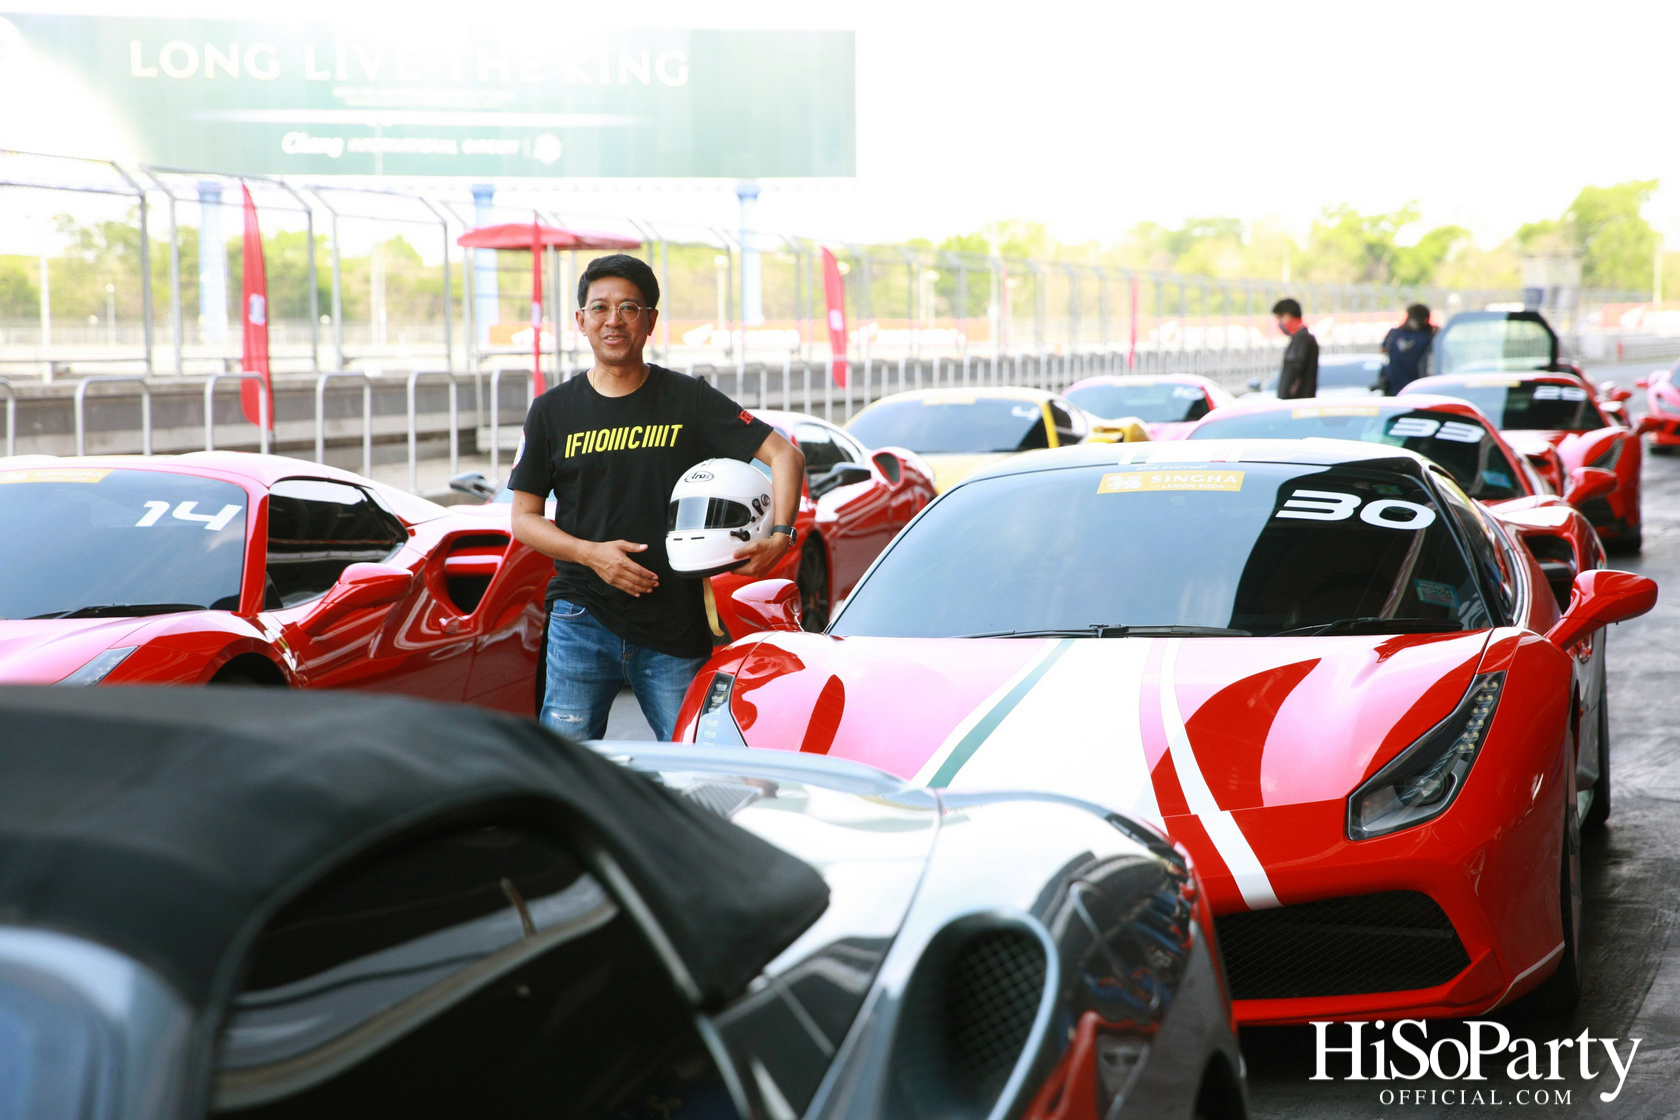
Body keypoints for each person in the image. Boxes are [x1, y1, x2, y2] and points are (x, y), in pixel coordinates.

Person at [508, 254, 804, 741]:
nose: (613, 320)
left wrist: (779, 536)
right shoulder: (551, 411)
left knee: (695, 769)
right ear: (580, 321)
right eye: (600, 308)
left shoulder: (688, 399)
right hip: (582, 615)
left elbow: (785, 456)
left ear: (650, 322)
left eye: (629, 308)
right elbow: (524, 518)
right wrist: (592, 555)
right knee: (567, 773)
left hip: (673, 617)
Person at [1378, 303, 1436, 394]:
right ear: (1425, 319)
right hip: (1421, 388)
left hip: (1394, 387)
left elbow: (1382, 350)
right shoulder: (1429, 336)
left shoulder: (1394, 334)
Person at [1272, 298, 1319, 399]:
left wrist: (1283, 398)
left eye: (1280, 319)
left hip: (1296, 403)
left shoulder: (1301, 339)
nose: (1280, 323)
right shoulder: (1305, 337)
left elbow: (1292, 371)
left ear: (1287, 316)